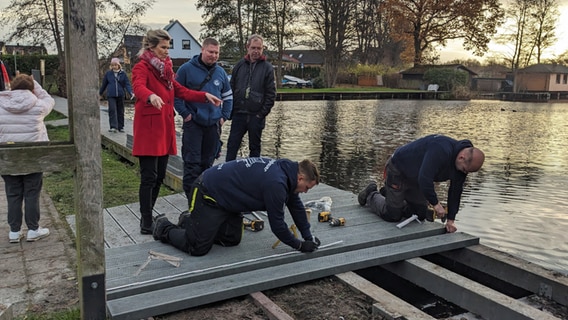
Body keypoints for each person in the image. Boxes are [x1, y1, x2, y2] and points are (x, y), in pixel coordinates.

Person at [131, 29, 222, 235]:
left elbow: (180, 91)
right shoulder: (142, 67)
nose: (166, 51)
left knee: (160, 175)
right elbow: (138, 87)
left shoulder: (166, 70)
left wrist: (204, 95)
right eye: (163, 47)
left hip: (164, 130)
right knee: (149, 176)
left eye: (168, 47)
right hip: (148, 131)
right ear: (151, 47)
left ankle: (149, 214)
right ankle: (146, 221)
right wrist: (150, 96)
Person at [152, 157, 321, 256]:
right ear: (300, 178)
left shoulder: (286, 173)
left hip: (229, 202)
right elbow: (278, 225)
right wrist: (298, 246)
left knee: (231, 240)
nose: (305, 192)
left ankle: (191, 220)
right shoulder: (276, 183)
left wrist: (308, 237)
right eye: (307, 188)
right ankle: (163, 227)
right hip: (208, 193)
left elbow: (296, 207)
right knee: (197, 247)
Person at [358, 134, 485, 233]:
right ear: (461, 157)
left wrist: (451, 220)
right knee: (392, 215)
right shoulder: (440, 149)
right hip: (399, 169)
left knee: (418, 215)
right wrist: (436, 204)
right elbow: (425, 179)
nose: (463, 174)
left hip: (416, 177)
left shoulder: (462, 166)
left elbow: (455, 191)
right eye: (464, 170)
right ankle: (371, 194)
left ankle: (389, 194)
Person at [174, 38, 233, 201]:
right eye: (210, 52)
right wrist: (186, 114)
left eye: (216, 53)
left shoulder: (220, 72)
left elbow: (228, 96)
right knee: (192, 164)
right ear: (202, 50)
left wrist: (223, 117)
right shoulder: (186, 69)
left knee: (208, 164)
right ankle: (191, 201)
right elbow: (176, 94)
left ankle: (204, 199)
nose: (213, 55)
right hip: (193, 124)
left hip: (213, 125)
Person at [0, 74, 55, 243]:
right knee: (32, 194)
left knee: (13, 194)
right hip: (33, 158)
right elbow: (49, 99)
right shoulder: (38, 106)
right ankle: (33, 229)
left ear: (12, 88)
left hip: (8, 159)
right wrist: (35, 85)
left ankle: (14, 231)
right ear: (32, 89)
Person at [225, 34, 276, 161]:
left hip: (256, 115)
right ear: (248, 47)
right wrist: (230, 111)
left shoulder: (268, 68)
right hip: (239, 114)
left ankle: (253, 176)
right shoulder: (239, 66)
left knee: (255, 148)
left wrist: (261, 114)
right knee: (232, 145)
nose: (256, 51)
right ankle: (227, 174)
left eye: (259, 48)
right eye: (253, 48)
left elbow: (271, 95)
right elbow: (231, 88)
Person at [99, 57, 134, 133]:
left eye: (115, 65)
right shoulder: (108, 74)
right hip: (111, 95)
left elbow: (127, 84)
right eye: (112, 65)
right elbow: (104, 84)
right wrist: (100, 93)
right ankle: (113, 126)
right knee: (112, 110)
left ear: (118, 65)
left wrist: (131, 92)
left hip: (120, 94)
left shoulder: (123, 74)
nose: (114, 66)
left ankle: (120, 126)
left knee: (120, 111)